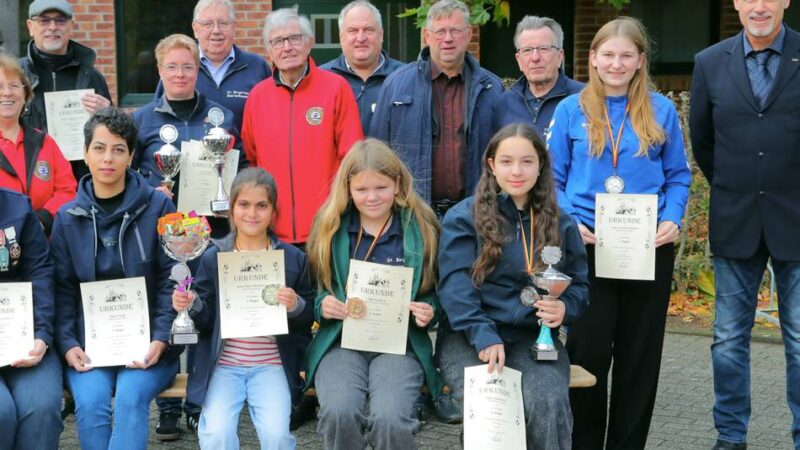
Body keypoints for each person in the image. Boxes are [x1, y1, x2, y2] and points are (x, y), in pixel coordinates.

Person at [547, 17, 691, 449]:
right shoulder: (570, 110)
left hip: (647, 246)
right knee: (588, 354)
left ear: (640, 60)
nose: (616, 63)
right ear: (592, 58)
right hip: (588, 245)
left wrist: (673, 218)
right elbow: (552, 180)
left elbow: (678, 176)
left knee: (639, 357)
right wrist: (571, 222)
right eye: (608, 54)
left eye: (626, 55)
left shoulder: (661, 110)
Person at [689, 1, 800, 448]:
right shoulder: (709, 62)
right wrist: (738, 184)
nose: (759, 7)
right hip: (735, 218)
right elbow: (703, 140)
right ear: (735, 3)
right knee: (729, 338)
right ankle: (731, 437)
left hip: (796, 218)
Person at [437, 124, 589, 449]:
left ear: (541, 165)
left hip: (533, 338)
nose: (516, 171)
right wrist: (483, 335)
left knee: (547, 403)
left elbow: (579, 286)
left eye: (526, 161)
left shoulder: (562, 222)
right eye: (506, 161)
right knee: (492, 407)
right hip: (470, 337)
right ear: (492, 164)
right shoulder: (463, 218)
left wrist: (564, 308)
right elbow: (454, 287)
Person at [51, 107, 181, 450]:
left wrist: (162, 338)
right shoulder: (67, 218)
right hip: (89, 345)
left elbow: (172, 279)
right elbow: (62, 290)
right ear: (85, 153)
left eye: (118, 149)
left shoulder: (159, 207)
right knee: (91, 402)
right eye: (99, 148)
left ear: (131, 156)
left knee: (129, 399)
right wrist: (68, 344)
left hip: (150, 345)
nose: (108, 158)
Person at [304, 138, 446, 449]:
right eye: (362, 189)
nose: (372, 197)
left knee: (391, 419)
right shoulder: (329, 227)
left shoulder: (422, 227)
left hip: (398, 345)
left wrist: (429, 311)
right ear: (347, 188)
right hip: (341, 343)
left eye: (381, 187)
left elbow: (435, 292)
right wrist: (323, 305)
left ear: (397, 184)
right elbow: (314, 291)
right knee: (339, 412)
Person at [172, 167, 314, 449]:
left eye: (262, 205)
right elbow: (206, 319)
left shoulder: (292, 259)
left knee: (276, 436)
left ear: (274, 211)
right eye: (244, 205)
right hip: (224, 365)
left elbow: (307, 319)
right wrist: (193, 304)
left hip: (272, 365)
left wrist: (295, 305)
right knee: (217, 434)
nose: (252, 213)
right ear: (232, 209)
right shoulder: (214, 256)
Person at [242, 7, 363, 248]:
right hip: (272, 232)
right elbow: (252, 160)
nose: (287, 47)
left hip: (328, 228)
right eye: (278, 41)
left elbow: (353, 157)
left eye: (294, 38)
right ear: (269, 50)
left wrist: (338, 210)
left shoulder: (336, 88)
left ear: (309, 43)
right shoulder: (257, 97)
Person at [370, 0, 502, 217]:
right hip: (413, 212)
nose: (448, 38)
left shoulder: (492, 88)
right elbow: (378, 152)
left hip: (476, 213)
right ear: (427, 36)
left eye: (456, 30)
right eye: (440, 31)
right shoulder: (396, 85)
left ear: (469, 34)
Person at [20, 0, 113, 180]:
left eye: (60, 20)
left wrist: (108, 113)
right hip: (29, 179)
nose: (52, 27)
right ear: (30, 27)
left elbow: (115, 135)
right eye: (44, 20)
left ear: (71, 26)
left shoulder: (93, 77)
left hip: (82, 180)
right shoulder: (15, 77)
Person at [0, 187, 63, 450]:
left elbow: (40, 271)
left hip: (24, 335)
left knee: (42, 407)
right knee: (1, 413)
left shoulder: (18, 208)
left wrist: (42, 334)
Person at [153, 0, 271, 131]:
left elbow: (271, 117)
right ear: (195, 29)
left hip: (242, 145)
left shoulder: (257, 67)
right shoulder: (178, 71)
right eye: (207, 24)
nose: (216, 30)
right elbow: (158, 116)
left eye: (223, 23)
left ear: (233, 27)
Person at [0, 54, 76, 236]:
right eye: (0, 86)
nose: (7, 92)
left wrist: (42, 220)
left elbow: (67, 190)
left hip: (43, 244)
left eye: (14, 86)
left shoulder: (45, 142)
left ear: (25, 95)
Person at [492, 15, 584, 139]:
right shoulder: (505, 103)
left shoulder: (584, 98)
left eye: (544, 49)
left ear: (560, 56)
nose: (535, 58)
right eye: (527, 50)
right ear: (518, 60)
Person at [320, 0, 404, 135]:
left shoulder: (405, 77)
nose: (360, 38)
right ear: (341, 37)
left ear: (381, 34)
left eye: (368, 30)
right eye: (353, 31)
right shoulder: (321, 79)